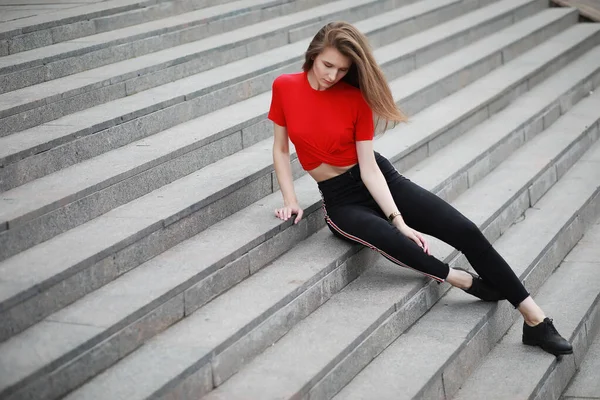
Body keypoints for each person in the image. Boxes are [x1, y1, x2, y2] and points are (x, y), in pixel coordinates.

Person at [267, 21, 571, 356]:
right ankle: (462, 280)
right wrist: (290, 199)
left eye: (342, 70)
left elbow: (369, 169)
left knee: (464, 230)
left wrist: (399, 219)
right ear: (312, 56)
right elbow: (281, 149)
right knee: (391, 240)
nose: (332, 75)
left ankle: (535, 320)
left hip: (379, 179)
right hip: (341, 201)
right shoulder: (285, 87)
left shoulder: (355, 98)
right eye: (328, 65)